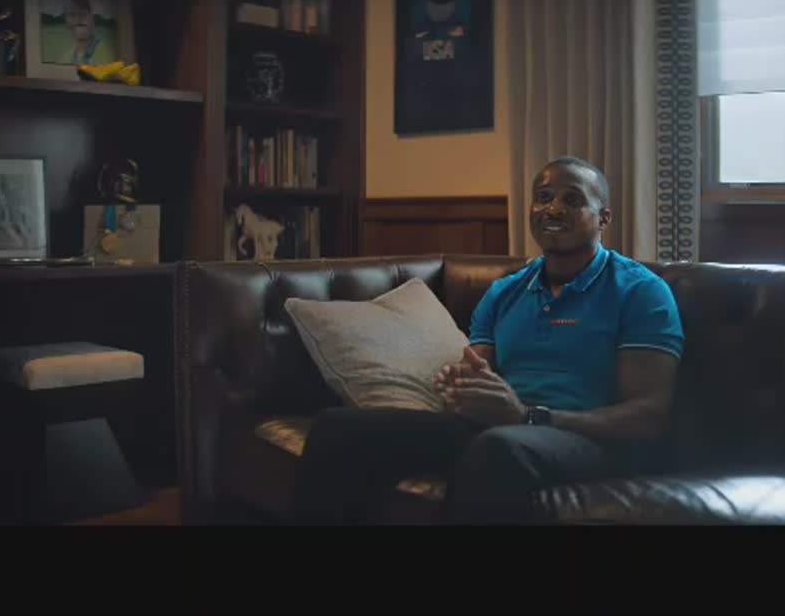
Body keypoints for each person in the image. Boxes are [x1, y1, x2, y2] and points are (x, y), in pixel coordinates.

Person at [291, 157, 684, 524]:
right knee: (338, 429)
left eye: (572, 200)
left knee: (497, 448)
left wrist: (529, 416)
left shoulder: (640, 292)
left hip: (592, 442)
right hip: (503, 430)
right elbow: (478, 371)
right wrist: (462, 387)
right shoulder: (505, 292)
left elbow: (649, 416)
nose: (553, 209)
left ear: (604, 218)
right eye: (543, 197)